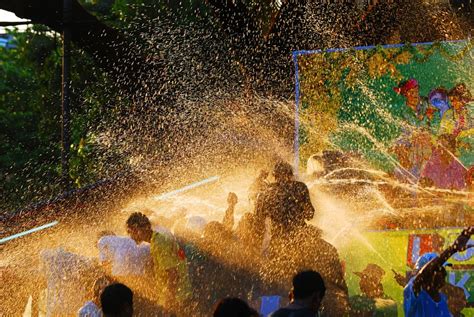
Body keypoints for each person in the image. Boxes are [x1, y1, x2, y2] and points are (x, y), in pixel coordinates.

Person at [126, 212, 192, 312]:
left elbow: (173, 273)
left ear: (146, 227)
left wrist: (169, 300)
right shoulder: (156, 240)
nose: (132, 235)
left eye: (134, 231)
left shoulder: (159, 243)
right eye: (130, 232)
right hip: (178, 294)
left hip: (178, 297)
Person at [403, 226, 473, 317]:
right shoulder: (414, 291)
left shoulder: (443, 300)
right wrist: (453, 249)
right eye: (439, 270)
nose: (444, 274)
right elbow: (424, 274)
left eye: (444, 270)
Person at [255, 161, 315, 238]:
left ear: (275, 176)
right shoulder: (300, 187)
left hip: (277, 239)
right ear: (290, 175)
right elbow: (310, 215)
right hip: (299, 235)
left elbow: (259, 217)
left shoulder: (268, 190)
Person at [39, 247, 100, 317]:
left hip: (56, 305)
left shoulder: (53, 264)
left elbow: (43, 253)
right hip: (69, 306)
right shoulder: (77, 262)